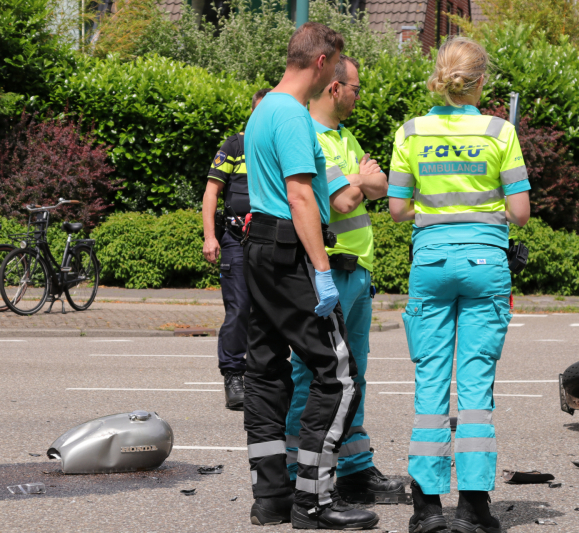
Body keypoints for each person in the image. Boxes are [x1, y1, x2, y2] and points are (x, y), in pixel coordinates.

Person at [387, 36, 530, 533]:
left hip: (430, 263)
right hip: (485, 264)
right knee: (475, 386)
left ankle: (426, 509)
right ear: (480, 81)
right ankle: (473, 507)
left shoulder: (410, 132)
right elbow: (520, 213)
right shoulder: (499, 131)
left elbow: (398, 208)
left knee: (430, 383)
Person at [243, 22, 379, 530]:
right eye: (336, 66)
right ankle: (314, 502)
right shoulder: (294, 116)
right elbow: (301, 196)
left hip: (258, 250)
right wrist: (322, 271)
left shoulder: (261, 112)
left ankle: (271, 496)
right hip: (289, 252)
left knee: (265, 371)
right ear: (322, 62)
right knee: (338, 377)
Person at [285, 54, 403, 503]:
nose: (358, 96)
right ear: (334, 88)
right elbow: (344, 203)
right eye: (355, 88)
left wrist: (359, 181)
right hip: (329, 271)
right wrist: (360, 180)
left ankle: (354, 468)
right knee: (315, 375)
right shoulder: (311, 138)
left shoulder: (346, 137)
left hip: (358, 273)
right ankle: (300, 468)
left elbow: (381, 186)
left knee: (356, 375)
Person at [201, 88, 271, 410]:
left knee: (268, 311)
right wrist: (210, 237)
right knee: (239, 309)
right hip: (235, 240)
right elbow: (211, 192)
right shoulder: (235, 145)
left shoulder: (275, 148)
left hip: (270, 240)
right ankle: (233, 374)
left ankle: (262, 376)